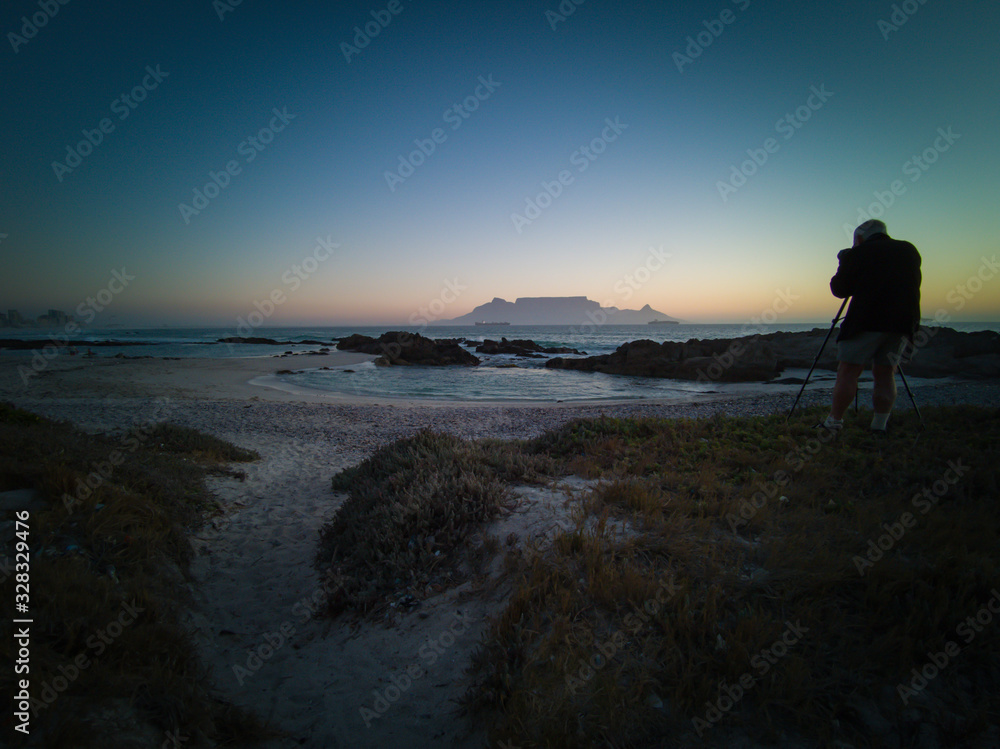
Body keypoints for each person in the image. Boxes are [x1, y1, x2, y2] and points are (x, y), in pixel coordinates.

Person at [820, 219, 921, 434]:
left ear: (858, 238)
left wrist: (844, 260)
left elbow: (839, 289)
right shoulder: (909, 250)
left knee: (848, 371)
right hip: (903, 322)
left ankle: (834, 422)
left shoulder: (858, 252)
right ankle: (879, 426)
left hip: (866, 320)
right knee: (885, 373)